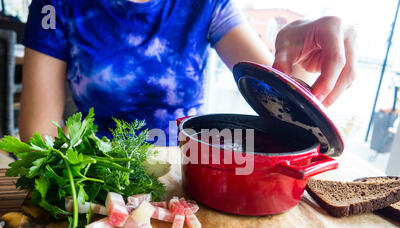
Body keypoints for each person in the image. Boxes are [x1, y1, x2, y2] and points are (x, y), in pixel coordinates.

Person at [19, 0, 357, 144]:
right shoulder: (55, 6)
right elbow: (38, 137)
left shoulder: (208, 5)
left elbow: (287, 102)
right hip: (98, 175)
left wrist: (299, 53)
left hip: (191, 171)